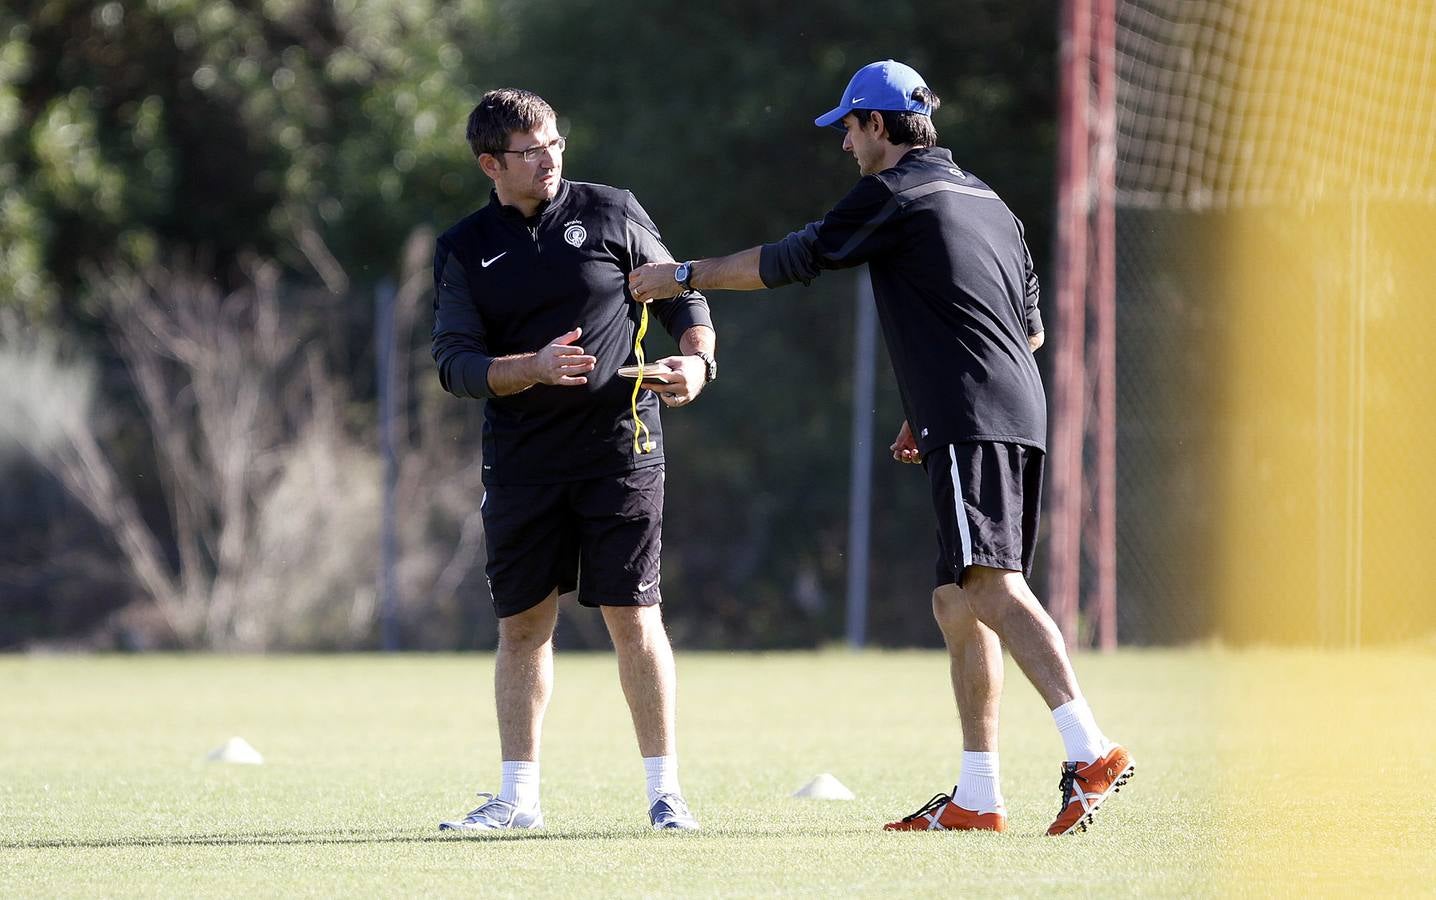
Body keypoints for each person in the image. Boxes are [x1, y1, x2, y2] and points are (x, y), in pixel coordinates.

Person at [628, 60, 1132, 836]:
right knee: (956, 599)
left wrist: (682, 275)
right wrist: (926, 400)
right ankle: (978, 795)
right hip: (1008, 406)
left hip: (971, 413)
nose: (844, 146)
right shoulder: (989, 201)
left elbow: (794, 259)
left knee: (992, 587)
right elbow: (1026, 331)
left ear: (878, 126)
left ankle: (1088, 748)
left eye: (849, 129)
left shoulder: (897, 192)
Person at [431, 88, 717, 833]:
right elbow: (455, 365)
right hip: (522, 463)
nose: (550, 158)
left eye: (556, 142)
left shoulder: (613, 210)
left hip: (621, 450)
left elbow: (683, 293)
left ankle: (666, 796)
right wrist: (529, 366)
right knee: (523, 628)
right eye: (530, 150)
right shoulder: (464, 247)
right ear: (491, 163)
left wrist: (697, 363)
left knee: (634, 616)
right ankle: (517, 799)